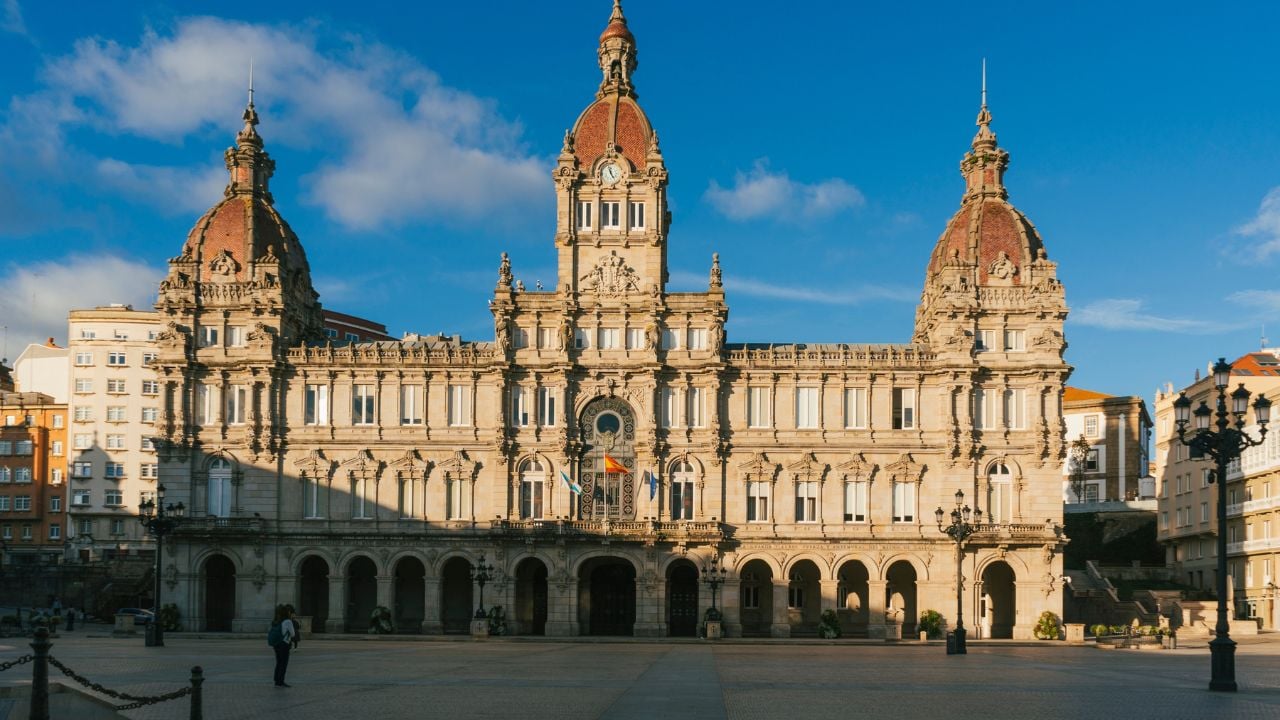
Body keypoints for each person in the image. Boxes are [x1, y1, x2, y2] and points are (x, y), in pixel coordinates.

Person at [270, 604, 295, 687]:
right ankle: (281, 681)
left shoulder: (276, 621)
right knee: (283, 663)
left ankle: (276, 680)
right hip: (284, 644)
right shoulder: (288, 621)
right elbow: (293, 634)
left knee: (278, 662)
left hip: (276, 644)